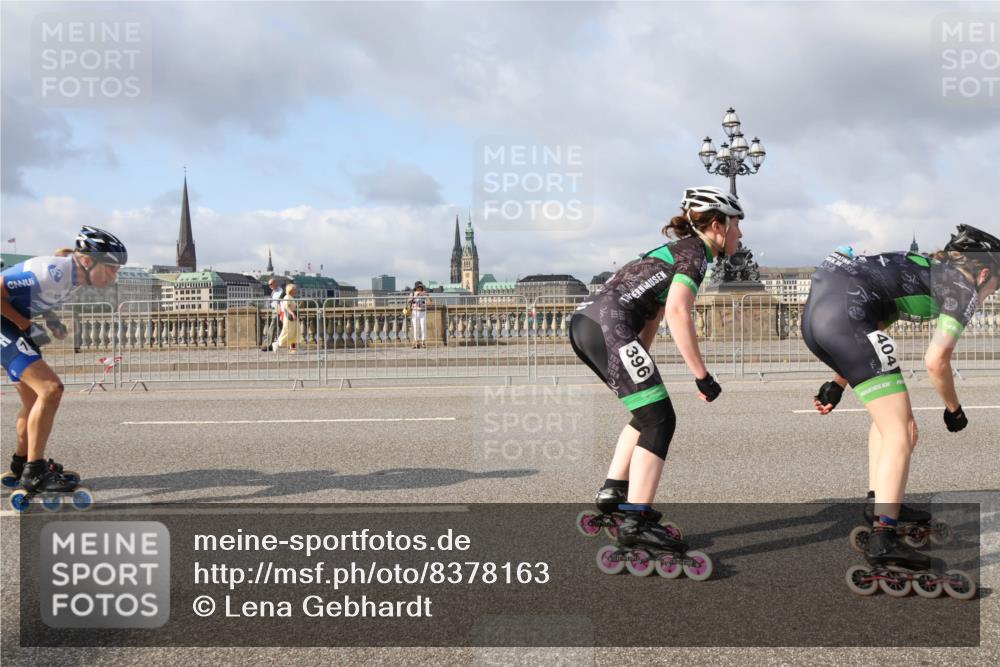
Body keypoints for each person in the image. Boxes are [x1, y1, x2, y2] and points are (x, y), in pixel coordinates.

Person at [803, 224, 1000, 574]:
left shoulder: (922, 269)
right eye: (998, 283)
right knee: (903, 432)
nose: (994, 291)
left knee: (886, 422)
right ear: (984, 272)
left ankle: (879, 502)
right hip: (845, 322)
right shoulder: (962, 288)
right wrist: (954, 409)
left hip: (818, 318)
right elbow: (936, 361)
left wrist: (837, 383)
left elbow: (870, 314)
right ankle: (884, 537)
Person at [570, 186, 742, 574]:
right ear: (717, 226)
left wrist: (642, 359)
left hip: (590, 324)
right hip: (607, 329)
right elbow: (679, 312)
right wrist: (702, 376)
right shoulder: (697, 254)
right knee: (660, 420)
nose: (740, 235)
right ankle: (637, 519)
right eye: (736, 226)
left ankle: (614, 491)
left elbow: (652, 313)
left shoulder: (676, 251)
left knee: (647, 412)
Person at [1, 226, 127, 501]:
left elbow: (40, 299)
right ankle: (35, 473)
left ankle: (22, 463)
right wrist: (23, 323)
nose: (114, 276)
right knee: (50, 389)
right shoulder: (50, 270)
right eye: (111, 268)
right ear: (87, 260)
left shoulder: (75, 278)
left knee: (35, 400)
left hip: (13, 327)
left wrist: (52, 321)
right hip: (6, 325)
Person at [275, 282, 301, 353]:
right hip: (289, 318)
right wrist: (292, 314)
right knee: (287, 332)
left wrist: (300, 305)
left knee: (293, 333)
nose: (296, 290)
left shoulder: (291, 297)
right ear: (291, 290)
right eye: (295, 289)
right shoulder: (287, 297)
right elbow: (287, 307)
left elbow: (292, 307)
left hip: (293, 319)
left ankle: (292, 349)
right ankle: (277, 344)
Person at [261, 277, 285, 351]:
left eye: (271, 284)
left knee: (272, 326)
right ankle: (285, 343)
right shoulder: (273, 292)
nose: (269, 286)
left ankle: (269, 344)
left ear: (275, 283)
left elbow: (280, 301)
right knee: (282, 327)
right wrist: (270, 301)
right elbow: (273, 301)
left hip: (279, 311)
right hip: (274, 311)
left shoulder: (281, 290)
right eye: (268, 284)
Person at [408, 281, 431, 349]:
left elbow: (430, 301)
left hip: (423, 312)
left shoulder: (424, 293)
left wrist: (427, 295)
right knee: (415, 328)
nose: (419, 288)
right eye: (418, 287)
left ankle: (423, 342)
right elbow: (409, 301)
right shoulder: (412, 293)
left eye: (420, 287)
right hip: (415, 312)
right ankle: (416, 342)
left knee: (423, 327)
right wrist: (415, 295)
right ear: (416, 287)